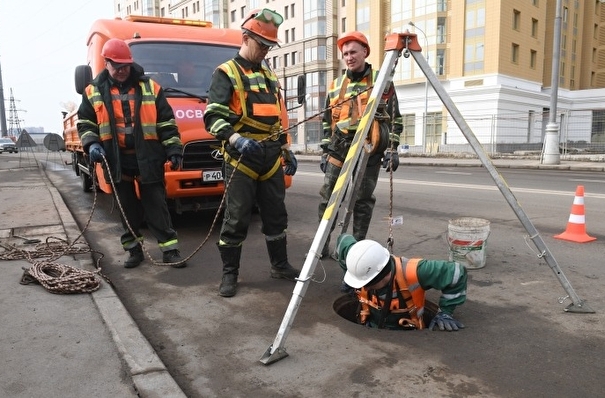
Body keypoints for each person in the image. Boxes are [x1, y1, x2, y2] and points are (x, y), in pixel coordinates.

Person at [203, 9, 299, 297]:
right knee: (236, 219)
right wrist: (235, 138)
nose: (266, 51)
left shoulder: (268, 74)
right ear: (245, 38)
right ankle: (229, 275)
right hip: (242, 157)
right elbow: (212, 118)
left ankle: (279, 265)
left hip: (270, 157)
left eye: (269, 46)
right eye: (262, 45)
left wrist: (286, 150)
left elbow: (275, 118)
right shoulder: (226, 73)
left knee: (276, 215)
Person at [77, 38, 186, 269]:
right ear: (106, 63)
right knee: (127, 208)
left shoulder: (151, 87)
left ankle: (170, 251)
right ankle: (134, 251)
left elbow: (167, 123)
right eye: (116, 66)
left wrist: (174, 149)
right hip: (116, 159)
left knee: (156, 205)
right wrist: (92, 143)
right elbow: (86, 122)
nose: (121, 70)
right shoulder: (93, 91)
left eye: (125, 66)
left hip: (148, 156)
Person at [318, 31, 403, 259]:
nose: (349, 57)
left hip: (369, 148)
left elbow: (395, 117)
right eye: (345, 53)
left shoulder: (381, 80)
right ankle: (321, 244)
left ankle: (354, 248)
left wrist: (393, 149)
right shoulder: (336, 85)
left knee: (362, 199)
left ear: (365, 52)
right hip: (340, 147)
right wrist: (325, 151)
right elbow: (328, 122)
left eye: (353, 52)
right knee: (329, 197)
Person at [336, 234, 467, 331]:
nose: (364, 288)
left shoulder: (416, 271)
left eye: (368, 284)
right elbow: (343, 240)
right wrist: (351, 277)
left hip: (407, 331)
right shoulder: (362, 261)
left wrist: (446, 311)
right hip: (370, 325)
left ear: (385, 275)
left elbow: (456, 272)